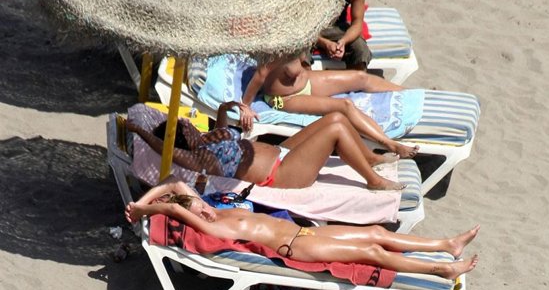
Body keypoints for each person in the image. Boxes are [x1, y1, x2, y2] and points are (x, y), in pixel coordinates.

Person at [125, 180, 480, 281]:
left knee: (374, 231)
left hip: (302, 233)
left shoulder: (212, 208)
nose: (203, 206)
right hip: (296, 249)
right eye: (197, 209)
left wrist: (146, 196)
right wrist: (142, 208)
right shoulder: (207, 224)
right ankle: (443, 269)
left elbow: (174, 187)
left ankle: (446, 244)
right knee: (372, 253)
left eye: (201, 203)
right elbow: (173, 206)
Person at [126, 103, 404, 192]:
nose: (187, 122)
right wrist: (139, 131)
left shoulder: (212, 137)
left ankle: (371, 158)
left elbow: (223, 115)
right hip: (282, 174)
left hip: (283, 153)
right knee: (336, 130)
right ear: (180, 140)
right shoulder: (200, 158)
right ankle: (374, 181)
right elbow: (167, 151)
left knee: (335, 118)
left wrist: (234, 106)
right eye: (182, 127)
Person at [240, 54, 419, 160]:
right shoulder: (277, 48)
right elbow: (260, 76)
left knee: (360, 77)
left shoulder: (299, 35)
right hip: (284, 98)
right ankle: (389, 144)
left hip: (306, 81)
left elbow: (303, 62)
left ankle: (409, 93)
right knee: (344, 105)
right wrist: (246, 105)